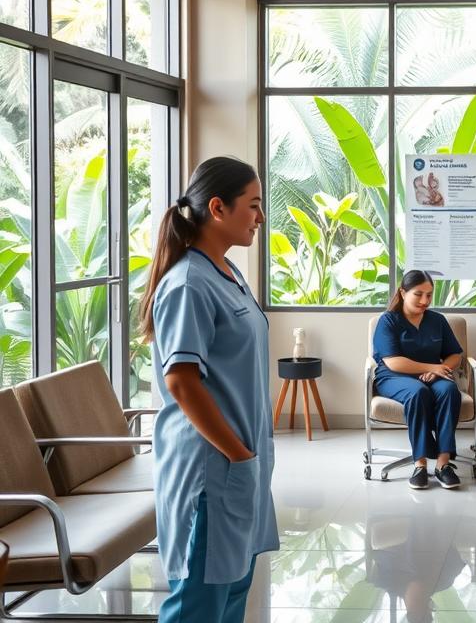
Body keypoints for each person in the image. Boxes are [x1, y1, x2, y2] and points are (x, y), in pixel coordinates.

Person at [140, 157, 279, 623]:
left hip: (240, 465)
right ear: (217, 208)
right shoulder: (187, 283)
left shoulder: (230, 274)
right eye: (253, 206)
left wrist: (248, 458)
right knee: (198, 604)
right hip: (210, 472)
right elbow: (181, 381)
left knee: (234, 590)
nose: (260, 217)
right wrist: (238, 455)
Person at [372, 270, 464, 490]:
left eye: (429, 295)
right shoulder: (388, 321)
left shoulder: (437, 320)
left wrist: (438, 370)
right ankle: (420, 464)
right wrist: (432, 367)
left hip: (433, 375)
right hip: (394, 377)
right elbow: (394, 362)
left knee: (450, 390)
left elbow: (455, 355)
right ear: (403, 293)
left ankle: (443, 464)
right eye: (418, 294)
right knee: (418, 392)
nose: (425, 301)